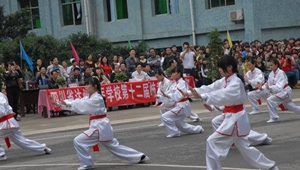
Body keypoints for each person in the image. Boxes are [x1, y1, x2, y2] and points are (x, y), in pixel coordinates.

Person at [180, 55, 278, 170]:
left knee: (211, 141)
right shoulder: (226, 80)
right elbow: (211, 88)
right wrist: (190, 92)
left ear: (230, 67)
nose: (219, 70)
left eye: (221, 67)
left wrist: (202, 96)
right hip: (233, 117)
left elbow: (222, 95)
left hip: (234, 119)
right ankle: (270, 167)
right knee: (245, 148)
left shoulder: (236, 83)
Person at [51, 77, 149, 170]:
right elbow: (80, 102)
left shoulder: (97, 98)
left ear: (95, 86)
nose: (85, 87)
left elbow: (82, 105)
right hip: (101, 126)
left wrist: (66, 103)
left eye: (88, 84)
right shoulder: (91, 97)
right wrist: (61, 104)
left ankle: (87, 164)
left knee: (78, 141)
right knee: (114, 146)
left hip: (99, 126)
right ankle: (140, 156)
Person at [0, 87, 51, 161]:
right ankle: (43, 148)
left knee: (21, 140)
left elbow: (2, 110)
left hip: (5, 123)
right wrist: (10, 112)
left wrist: (9, 112)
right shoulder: (1, 95)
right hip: (9, 123)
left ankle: (1, 154)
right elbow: (7, 108)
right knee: (21, 140)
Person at [159, 67, 203, 138]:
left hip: (182, 105)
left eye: (174, 73)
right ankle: (198, 129)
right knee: (181, 125)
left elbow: (178, 96)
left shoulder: (182, 83)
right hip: (179, 104)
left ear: (179, 74)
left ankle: (174, 132)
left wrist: (167, 95)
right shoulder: (174, 84)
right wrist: (160, 96)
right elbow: (168, 93)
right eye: (172, 73)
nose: (172, 75)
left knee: (165, 116)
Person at [203, 104, 272, 146]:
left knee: (240, 131)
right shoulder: (225, 85)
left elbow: (225, 102)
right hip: (228, 113)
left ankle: (263, 138)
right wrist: (211, 107)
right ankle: (220, 142)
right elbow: (220, 100)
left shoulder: (235, 85)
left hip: (237, 113)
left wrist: (217, 107)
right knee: (215, 121)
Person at [258, 57, 300, 123]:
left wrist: (270, 88)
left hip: (285, 91)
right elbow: (268, 84)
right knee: (290, 106)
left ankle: (274, 117)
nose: (270, 67)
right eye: (270, 65)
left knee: (270, 99)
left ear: (276, 65)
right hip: (281, 92)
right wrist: (262, 88)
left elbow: (279, 87)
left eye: (272, 65)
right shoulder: (271, 74)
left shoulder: (281, 73)